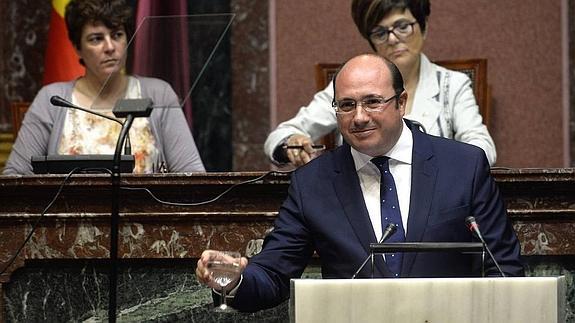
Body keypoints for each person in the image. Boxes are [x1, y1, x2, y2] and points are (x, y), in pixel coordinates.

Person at [197, 54, 523, 312]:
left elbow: (503, 269)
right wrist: (235, 279)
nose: (360, 117)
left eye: (373, 101)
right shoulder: (313, 183)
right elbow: (272, 275)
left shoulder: (463, 166)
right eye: (347, 105)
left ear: (401, 102)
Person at [264, 0, 496, 168]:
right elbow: (280, 136)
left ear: (423, 25)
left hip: (436, 200)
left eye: (403, 26)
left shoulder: (452, 84)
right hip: (360, 199)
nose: (393, 39)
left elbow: (482, 148)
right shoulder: (350, 86)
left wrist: (438, 166)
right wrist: (292, 144)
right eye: (380, 32)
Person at [3, 0, 205, 175]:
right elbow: (16, 178)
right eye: (96, 39)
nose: (109, 47)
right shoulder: (53, 99)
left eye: (117, 35)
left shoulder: (158, 94)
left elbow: (192, 175)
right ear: (77, 48)